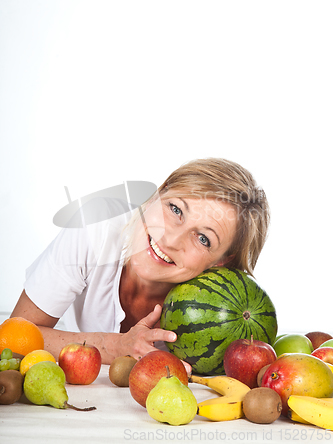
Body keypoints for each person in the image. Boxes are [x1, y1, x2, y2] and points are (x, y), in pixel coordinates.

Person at [11, 158, 269, 369]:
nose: (171, 239)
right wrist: (116, 345)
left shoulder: (225, 314)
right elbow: (11, 338)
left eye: (203, 239)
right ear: (158, 194)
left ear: (221, 263)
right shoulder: (94, 227)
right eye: (176, 209)